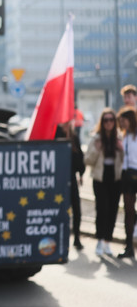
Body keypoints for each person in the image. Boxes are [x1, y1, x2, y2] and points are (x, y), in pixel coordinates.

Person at [84, 108, 123, 256]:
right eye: (105, 120)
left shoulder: (119, 138)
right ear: (102, 122)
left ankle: (108, 241)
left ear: (115, 122)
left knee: (113, 210)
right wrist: (97, 149)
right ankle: (99, 240)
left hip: (115, 178)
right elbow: (87, 160)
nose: (109, 123)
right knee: (102, 209)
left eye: (111, 120)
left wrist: (121, 149)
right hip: (100, 178)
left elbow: (128, 160)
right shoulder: (96, 138)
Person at [56, 120, 85, 250]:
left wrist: (81, 172)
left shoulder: (74, 137)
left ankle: (77, 237)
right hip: (58, 179)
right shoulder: (55, 134)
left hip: (71, 177)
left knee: (76, 209)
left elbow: (80, 160)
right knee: (61, 209)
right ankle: (61, 238)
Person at [117, 107, 137, 258]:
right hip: (126, 174)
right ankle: (129, 245)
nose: (121, 123)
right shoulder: (123, 136)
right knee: (128, 210)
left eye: (123, 120)